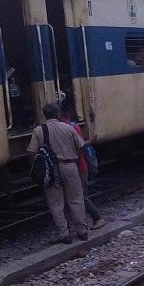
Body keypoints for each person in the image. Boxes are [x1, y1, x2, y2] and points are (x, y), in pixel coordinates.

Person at [27, 102, 89, 244]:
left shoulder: (38, 131)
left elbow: (32, 153)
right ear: (58, 114)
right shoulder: (68, 128)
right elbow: (81, 146)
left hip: (51, 169)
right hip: (70, 166)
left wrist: (39, 169)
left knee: (56, 203)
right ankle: (82, 231)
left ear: (44, 115)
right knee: (76, 199)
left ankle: (64, 234)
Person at [60, 109, 105, 230]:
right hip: (80, 167)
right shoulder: (74, 126)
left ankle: (97, 218)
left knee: (81, 196)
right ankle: (81, 222)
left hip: (79, 167)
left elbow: (79, 148)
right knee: (78, 196)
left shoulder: (70, 128)